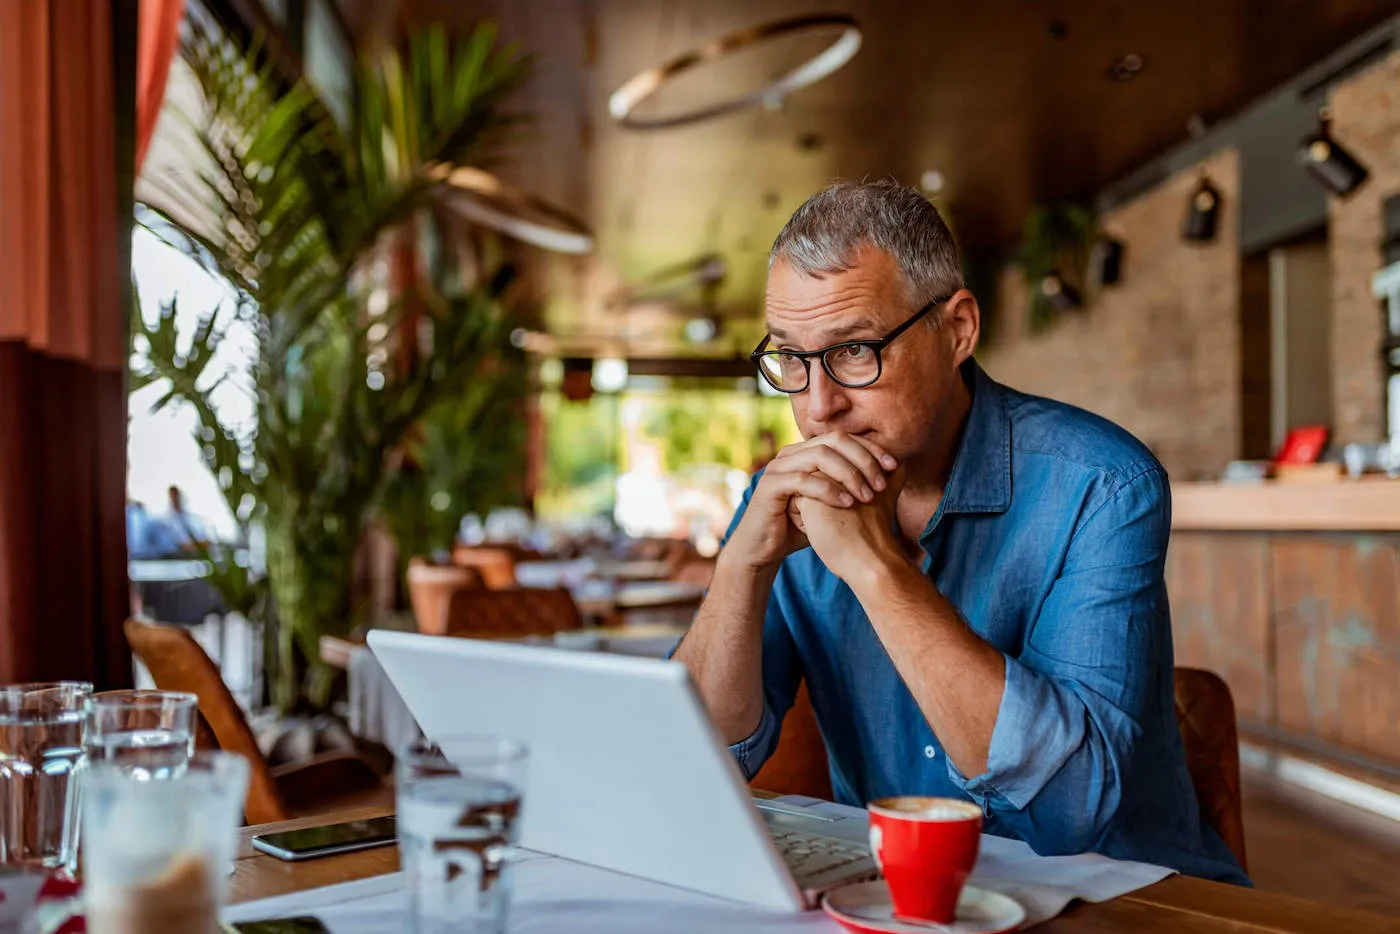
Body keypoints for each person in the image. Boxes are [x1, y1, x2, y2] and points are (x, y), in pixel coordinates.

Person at [672, 180, 1248, 884]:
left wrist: (877, 570)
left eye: (855, 349)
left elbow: (1070, 813)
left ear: (958, 330)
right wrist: (740, 567)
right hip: (901, 900)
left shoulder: (1101, 484)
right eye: (791, 358)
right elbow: (691, 769)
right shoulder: (786, 499)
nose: (818, 406)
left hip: (1122, 904)